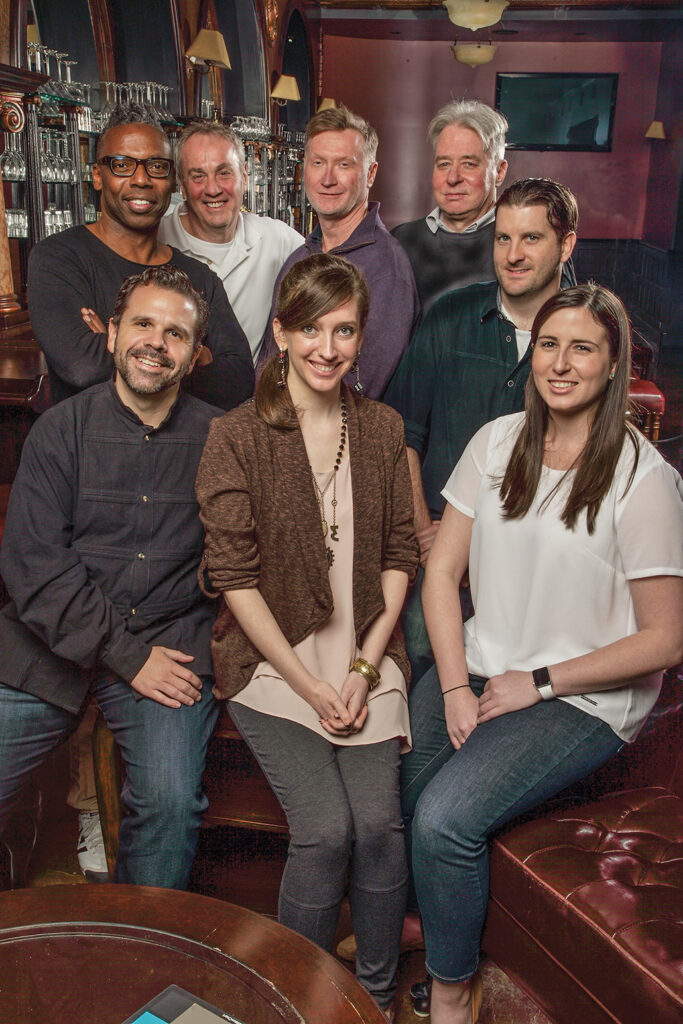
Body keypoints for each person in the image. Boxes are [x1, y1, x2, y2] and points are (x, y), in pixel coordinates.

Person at [401, 284, 683, 1024]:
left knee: (443, 821)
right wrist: (457, 686)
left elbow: (664, 640)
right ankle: (427, 920)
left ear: (612, 361)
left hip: (582, 696)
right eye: (548, 345)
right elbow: (439, 573)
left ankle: (454, 985)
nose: (560, 363)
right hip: (485, 663)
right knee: (394, 781)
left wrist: (541, 681)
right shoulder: (495, 442)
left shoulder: (643, 481)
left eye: (582, 347)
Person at [196, 254, 419, 1018]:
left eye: (345, 330)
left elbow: (398, 557)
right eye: (312, 328)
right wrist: (311, 684)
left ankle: (375, 998)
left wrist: (361, 670)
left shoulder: (381, 428)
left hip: (364, 655)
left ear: (361, 338)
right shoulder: (237, 435)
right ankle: (298, 994)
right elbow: (233, 579)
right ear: (281, 332)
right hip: (273, 665)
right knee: (325, 833)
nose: (328, 347)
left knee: (381, 831)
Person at [0, 266, 222, 889]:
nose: (156, 341)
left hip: (167, 646)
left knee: (172, 805)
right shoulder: (58, 431)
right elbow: (37, 569)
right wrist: (124, 654)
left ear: (195, 353)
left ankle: (139, 957)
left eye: (176, 333)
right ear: (112, 333)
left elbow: (236, 559)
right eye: (143, 324)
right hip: (44, 644)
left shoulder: (221, 439)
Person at [385, 177, 578, 686]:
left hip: (534, 547)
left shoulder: (584, 336)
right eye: (503, 238)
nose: (512, 255)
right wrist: (425, 534)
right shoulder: (450, 315)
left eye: (531, 239)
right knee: (422, 648)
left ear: (567, 244)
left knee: (531, 667)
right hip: (435, 535)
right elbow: (405, 430)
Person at [28, 103, 254, 411]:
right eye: (122, 165)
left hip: (184, 455)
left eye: (156, 166)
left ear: (172, 182)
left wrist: (118, 348)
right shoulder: (59, 258)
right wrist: (194, 355)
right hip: (90, 453)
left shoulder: (199, 277)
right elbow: (83, 367)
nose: (141, 180)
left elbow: (238, 381)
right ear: (97, 176)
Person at [259, 106, 420, 399]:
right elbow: (270, 359)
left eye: (344, 165)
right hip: (277, 427)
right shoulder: (299, 258)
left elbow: (364, 387)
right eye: (318, 162)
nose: (327, 178)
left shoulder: (387, 268)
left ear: (370, 174)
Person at [392, 100, 576, 313]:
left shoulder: (527, 245)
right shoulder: (402, 240)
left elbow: (560, 328)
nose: (452, 178)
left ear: (499, 171)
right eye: (444, 164)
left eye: (468, 164)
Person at [158, 120, 302, 363]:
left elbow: (333, 271)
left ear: (244, 178)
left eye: (224, 173)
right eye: (198, 176)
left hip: (249, 398)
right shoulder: (156, 241)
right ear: (182, 186)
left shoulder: (276, 238)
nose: (213, 189)